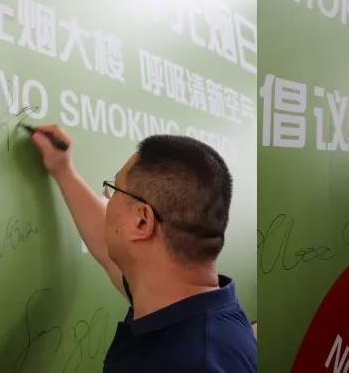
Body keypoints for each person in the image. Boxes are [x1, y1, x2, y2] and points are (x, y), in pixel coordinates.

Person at [30, 126, 257, 372]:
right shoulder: (190, 308)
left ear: (142, 221)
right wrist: (63, 170)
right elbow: (106, 248)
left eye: (114, 191)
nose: (108, 200)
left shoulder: (192, 362)